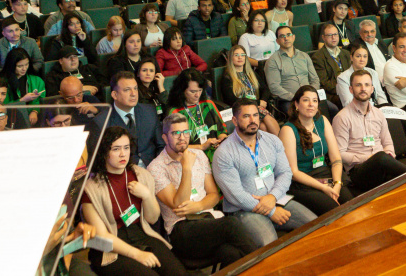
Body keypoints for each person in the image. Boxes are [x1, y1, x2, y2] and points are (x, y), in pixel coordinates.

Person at [148, 113, 257, 268]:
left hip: (207, 219)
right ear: (165, 138)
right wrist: (186, 168)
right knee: (231, 225)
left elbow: (213, 195)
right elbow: (178, 205)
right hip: (181, 230)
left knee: (230, 253)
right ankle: (269, 268)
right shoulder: (156, 167)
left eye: (186, 132)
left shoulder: (199, 155)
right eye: (175, 133)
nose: (182, 137)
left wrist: (198, 206)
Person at [81, 126, 189, 276]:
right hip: (109, 246)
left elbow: (152, 219)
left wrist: (147, 196)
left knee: (178, 273)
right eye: (116, 149)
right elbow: (101, 236)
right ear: (104, 152)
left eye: (126, 148)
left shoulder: (141, 175)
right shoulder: (91, 188)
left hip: (141, 233)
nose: (122, 154)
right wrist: (137, 254)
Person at [211, 99, 317, 248]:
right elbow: (235, 195)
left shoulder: (272, 140)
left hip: (277, 199)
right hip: (245, 210)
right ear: (234, 120)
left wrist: (272, 197)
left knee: (316, 225)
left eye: (255, 115)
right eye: (246, 116)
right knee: (270, 246)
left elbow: (285, 173)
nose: (252, 120)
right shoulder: (224, 153)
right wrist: (271, 211)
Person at [333, 70, 406, 192]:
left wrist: (389, 155)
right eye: (358, 85)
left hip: (383, 164)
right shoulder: (342, 118)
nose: (363, 88)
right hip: (359, 171)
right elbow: (340, 154)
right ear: (351, 89)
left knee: (402, 186)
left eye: (367, 85)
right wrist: (369, 158)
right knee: (381, 158)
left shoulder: (378, 113)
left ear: (372, 89)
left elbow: (388, 143)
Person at [279, 86, 352, 215]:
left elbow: (335, 159)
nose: (311, 104)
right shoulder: (288, 130)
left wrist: (337, 184)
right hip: (303, 182)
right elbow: (293, 172)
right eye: (306, 100)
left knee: (351, 204)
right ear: (296, 104)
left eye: (315, 100)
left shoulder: (322, 121)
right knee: (334, 210)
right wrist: (323, 188)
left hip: (325, 174)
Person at [92, 72, 165, 168]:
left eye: (135, 88)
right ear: (114, 95)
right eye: (127, 90)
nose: (133, 94)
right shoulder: (101, 122)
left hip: (153, 168)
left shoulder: (149, 111)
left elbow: (161, 145)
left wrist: (157, 168)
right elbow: (99, 159)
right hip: (122, 173)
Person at [167, 69, 227, 161]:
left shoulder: (208, 104)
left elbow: (221, 130)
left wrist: (221, 141)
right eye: (193, 91)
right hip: (192, 157)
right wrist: (202, 147)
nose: (197, 95)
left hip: (217, 154)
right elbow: (176, 146)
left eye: (200, 90)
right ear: (182, 90)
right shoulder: (175, 112)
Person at [264, 26, 321, 114]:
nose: (286, 38)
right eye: (282, 36)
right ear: (277, 41)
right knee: (299, 114)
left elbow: (315, 79)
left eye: (288, 35)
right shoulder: (272, 61)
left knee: (331, 109)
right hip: (289, 101)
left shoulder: (304, 56)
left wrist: (311, 95)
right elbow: (274, 87)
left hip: (310, 97)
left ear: (293, 37)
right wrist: (296, 98)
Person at [310, 23, 351, 117]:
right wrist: (343, 89)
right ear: (323, 38)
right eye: (330, 35)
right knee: (346, 99)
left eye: (335, 34)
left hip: (349, 88)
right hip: (332, 93)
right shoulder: (318, 57)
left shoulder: (346, 53)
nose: (333, 38)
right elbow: (325, 83)